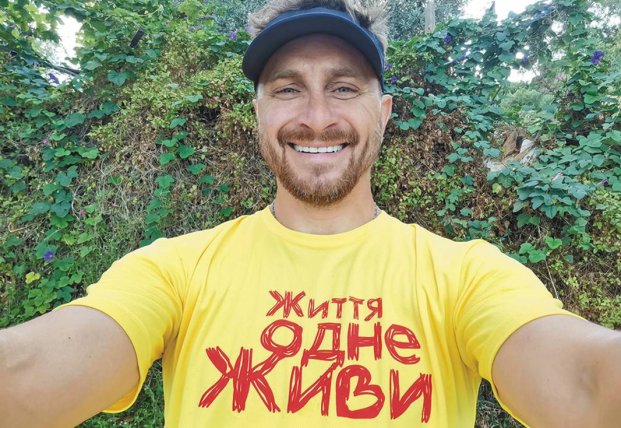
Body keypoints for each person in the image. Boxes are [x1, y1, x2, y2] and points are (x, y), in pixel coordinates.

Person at [1, 0, 620, 427]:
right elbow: (29, 373)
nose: (317, 117)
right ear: (259, 113)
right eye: (288, 88)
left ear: (384, 114)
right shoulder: (175, 271)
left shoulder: (466, 277)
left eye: (344, 88)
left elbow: (588, 384)